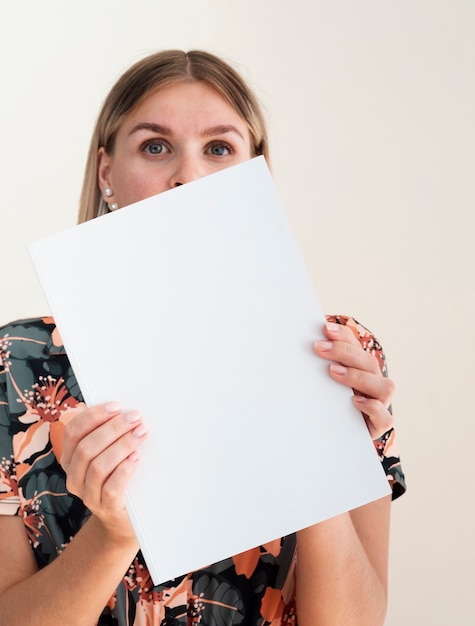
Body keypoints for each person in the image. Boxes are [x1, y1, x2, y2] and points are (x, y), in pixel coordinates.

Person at [0, 49, 405, 626]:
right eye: (155, 146)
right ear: (107, 175)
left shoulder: (341, 355)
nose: (188, 176)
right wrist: (115, 533)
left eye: (219, 148)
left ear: (256, 172)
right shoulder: (18, 361)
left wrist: (320, 448)